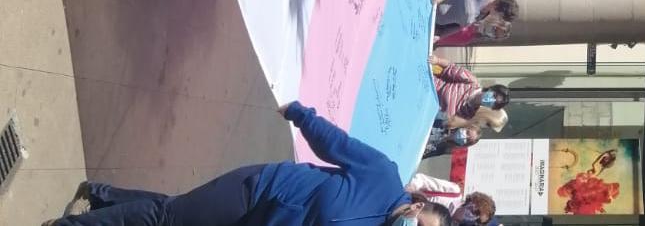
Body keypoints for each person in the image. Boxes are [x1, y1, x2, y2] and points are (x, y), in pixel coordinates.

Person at [43, 101, 450, 225]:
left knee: (177, 215)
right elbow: (335, 144)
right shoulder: (382, 174)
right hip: (259, 190)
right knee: (170, 218)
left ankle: (102, 196)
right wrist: (300, 113)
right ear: (418, 207)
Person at [429, 54, 510, 125]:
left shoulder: (468, 115)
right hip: (430, 86)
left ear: (492, 108)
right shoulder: (471, 81)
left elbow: (446, 122)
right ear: (491, 89)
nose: (491, 99)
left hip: (428, 109)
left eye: (494, 103)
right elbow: (450, 67)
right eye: (494, 95)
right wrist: (437, 60)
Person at [406, 178, 497, 225]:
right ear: (475, 201)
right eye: (476, 212)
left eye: (478, 221)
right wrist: (410, 190)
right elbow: (421, 180)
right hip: (403, 202)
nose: (473, 218)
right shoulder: (453, 191)